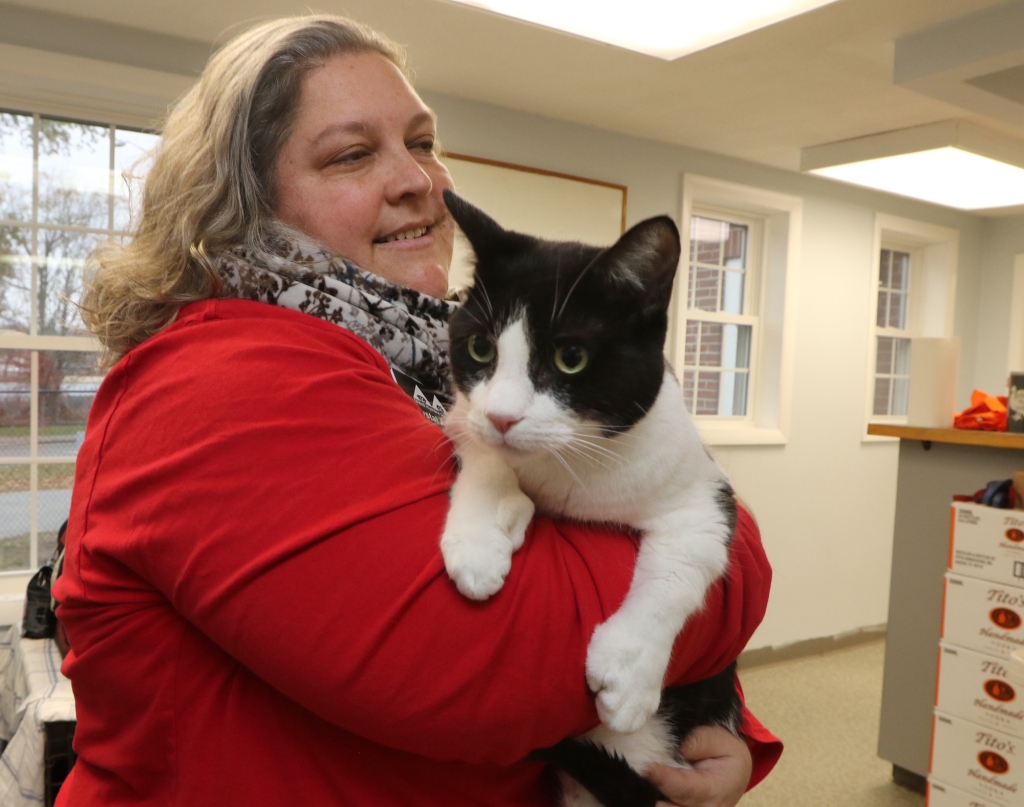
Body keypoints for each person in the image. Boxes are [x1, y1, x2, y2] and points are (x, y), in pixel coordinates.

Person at [54, 15, 781, 807]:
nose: (420, 181)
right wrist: (729, 550)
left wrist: (718, 728)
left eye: (423, 143)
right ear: (242, 202)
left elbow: (586, 646)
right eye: (353, 154)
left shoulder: (425, 356)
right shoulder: (215, 380)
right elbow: (490, 666)